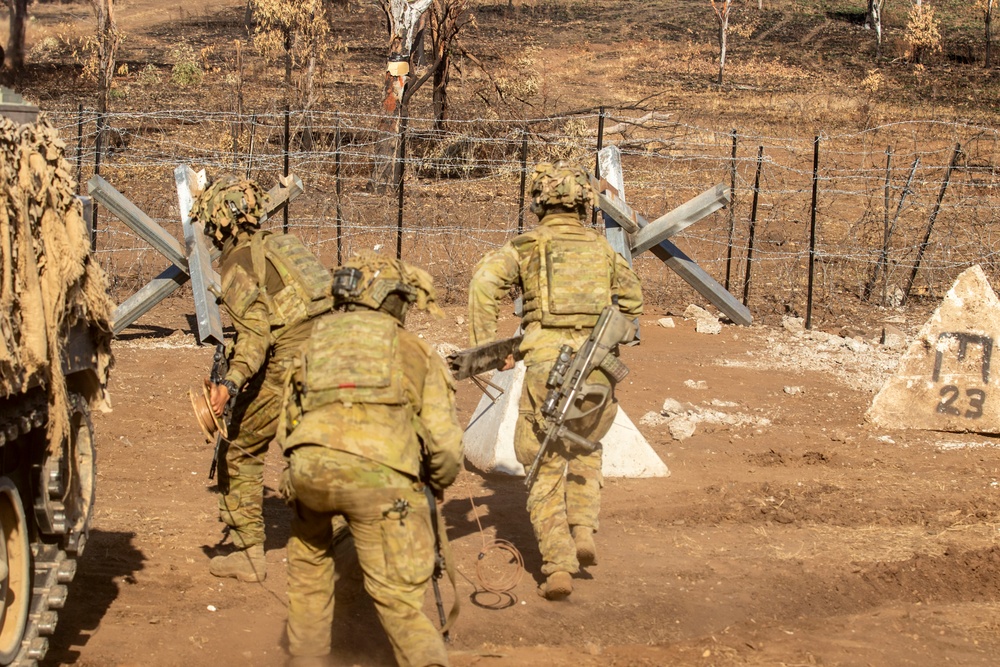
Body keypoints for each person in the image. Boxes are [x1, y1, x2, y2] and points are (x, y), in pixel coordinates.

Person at [277, 250, 463, 667]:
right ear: (395, 300)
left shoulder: (313, 342)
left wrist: (298, 468)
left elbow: (287, 423)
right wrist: (434, 480)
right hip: (380, 479)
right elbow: (446, 447)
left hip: (310, 472)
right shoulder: (414, 349)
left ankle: (307, 658)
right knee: (397, 597)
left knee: (309, 565)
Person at [467, 160, 643, 600]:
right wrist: (608, 339)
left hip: (546, 365)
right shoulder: (602, 249)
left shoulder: (527, 245)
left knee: (543, 464)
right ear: (585, 202)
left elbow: (484, 284)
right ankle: (583, 528)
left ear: (539, 202)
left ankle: (558, 566)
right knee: (585, 446)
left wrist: (489, 349)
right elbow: (633, 300)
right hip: (598, 366)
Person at [191, 175, 334, 583]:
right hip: (332, 349)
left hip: (293, 356)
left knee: (239, 447)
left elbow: (256, 335)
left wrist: (231, 384)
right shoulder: (284, 243)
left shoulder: (238, 263)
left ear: (220, 223)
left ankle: (248, 554)